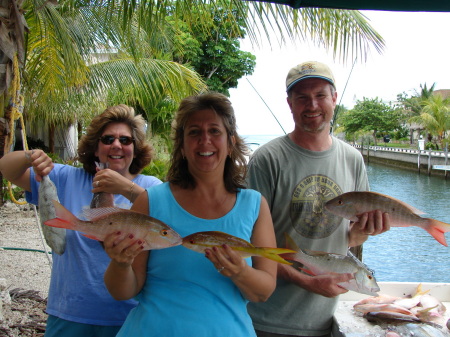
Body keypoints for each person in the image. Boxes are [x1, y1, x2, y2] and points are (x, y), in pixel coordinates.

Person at [103, 92, 278, 337]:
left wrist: (240, 271)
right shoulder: (151, 200)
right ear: (182, 147)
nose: (204, 140)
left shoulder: (255, 205)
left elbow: (263, 292)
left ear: (232, 143)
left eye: (215, 131)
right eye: (194, 132)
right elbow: (122, 292)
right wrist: (121, 262)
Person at [246, 61, 391, 337]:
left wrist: (363, 232)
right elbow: (252, 244)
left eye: (320, 95)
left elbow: (349, 239)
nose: (312, 105)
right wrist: (304, 280)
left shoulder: (353, 160)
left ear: (334, 98)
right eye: (302, 98)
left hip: (328, 318)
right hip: (268, 320)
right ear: (290, 103)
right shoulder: (266, 160)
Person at [0, 104, 162, 337]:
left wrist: (125, 188)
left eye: (126, 140)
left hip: (129, 317)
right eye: (108, 139)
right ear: (96, 148)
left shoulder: (150, 187)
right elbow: (8, 169)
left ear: (135, 150)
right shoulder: (66, 178)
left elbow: (166, 217)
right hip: (69, 313)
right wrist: (30, 156)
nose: (117, 145)